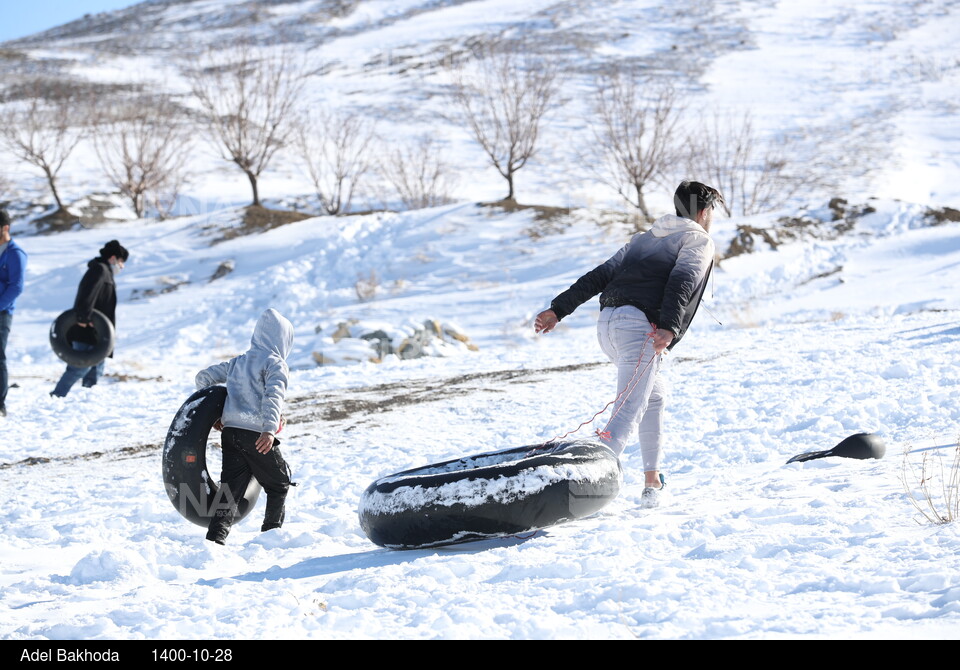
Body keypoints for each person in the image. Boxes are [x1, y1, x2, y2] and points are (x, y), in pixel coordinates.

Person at [534, 181, 722, 509]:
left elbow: (599, 275)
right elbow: (683, 281)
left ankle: (652, 480)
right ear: (704, 212)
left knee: (654, 397)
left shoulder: (644, 239)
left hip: (609, 326)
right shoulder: (697, 238)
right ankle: (569, 493)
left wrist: (558, 309)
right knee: (625, 416)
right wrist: (669, 327)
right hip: (640, 329)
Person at [195, 308, 295, 545]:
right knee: (279, 483)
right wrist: (269, 430)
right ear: (282, 339)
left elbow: (202, 378)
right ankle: (271, 535)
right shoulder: (275, 364)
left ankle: (214, 540)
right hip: (257, 435)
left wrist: (217, 416)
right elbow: (274, 397)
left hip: (230, 434)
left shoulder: (238, 362)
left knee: (229, 490)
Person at [51, 240, 129, 398]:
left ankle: (86, 400)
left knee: (96, 369)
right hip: (85, 329)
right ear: (113, 258)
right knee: (79, 367)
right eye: (121, 262)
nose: (122, 266)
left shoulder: (106, 272)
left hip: (99, 332)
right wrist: (83, 318)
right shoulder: (99, 270)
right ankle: (57, 396)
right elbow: (87, 294)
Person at [0, 209, 28, 418]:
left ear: (5, 228)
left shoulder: (15, 254)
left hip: (2, 313)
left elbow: (16, 287)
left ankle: (0, 404)